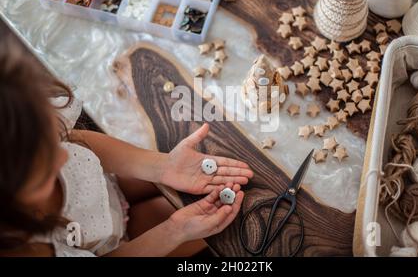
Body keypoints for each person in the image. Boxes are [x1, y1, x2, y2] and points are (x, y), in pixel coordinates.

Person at [0, 32, 253, 257]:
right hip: (121, 245)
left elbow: (79, 142)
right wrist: (176, 230)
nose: (65, 156)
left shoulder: (15, 111)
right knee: (226, 232)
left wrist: (163, 167)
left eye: (55, 138)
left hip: (107, 186)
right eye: (45, 167)